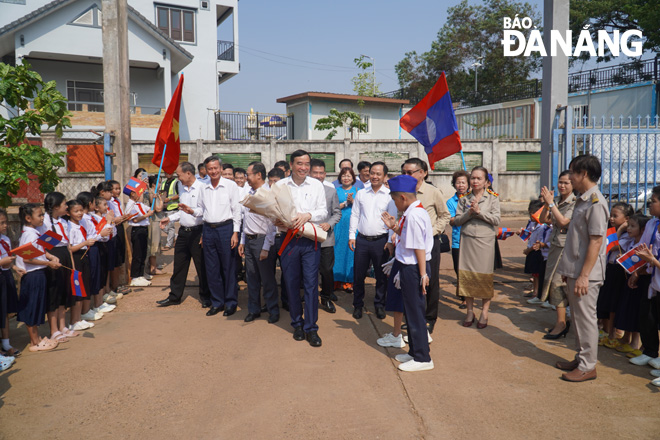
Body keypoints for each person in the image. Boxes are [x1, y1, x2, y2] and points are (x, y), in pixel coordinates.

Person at [555, 154, 609, 382]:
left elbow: (596, 241)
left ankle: (588, 366)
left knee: (586, 318)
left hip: (586, 273)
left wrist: (584, 276)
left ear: (583, 174)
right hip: (575, 270)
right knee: (577, 318)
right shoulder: (583, 199)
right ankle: (581, 358)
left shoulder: (596, 202)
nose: (569, 178)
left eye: (572, 173)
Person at [381, 174, 434, 372]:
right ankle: (414, 352)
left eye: (394, 199)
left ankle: (423, 358)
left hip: (414, 269)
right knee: (411, 313)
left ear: (402, 197)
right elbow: (409, 239)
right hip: (410, 268)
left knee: (416, 313)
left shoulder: (413, 215)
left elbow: (419, 248)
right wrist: (394, 227)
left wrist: (422, 275)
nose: (394, 203)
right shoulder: (413, 212)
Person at [275, 150, 327, 347]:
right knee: (291, 282)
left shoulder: (316, 185)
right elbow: (273, 212)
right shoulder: (280, 185)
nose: (303, 168)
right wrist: (279, 220)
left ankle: (311, 327)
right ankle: (297, 323)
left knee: (311, 283)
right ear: (291, 165)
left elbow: (323, 211)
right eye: (299, 164)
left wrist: (308, 215)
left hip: (310, 241)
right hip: (288, 240)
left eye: (306, 164)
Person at [402, 158, 450, 333]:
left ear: (423, 173)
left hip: (430, 244)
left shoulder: (433, 192)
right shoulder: (404, 191)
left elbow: (445, 215)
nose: (407, 176)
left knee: (430, 280)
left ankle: (429, 318)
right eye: (404, 172)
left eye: (411, 172)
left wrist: (432, 232)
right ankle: (412, 317)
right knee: (410, 279)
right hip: (408, 243)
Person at [453, 166, 501, 329]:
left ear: (486, 182)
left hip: (485, 242)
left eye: (478, 178)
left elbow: (496, 220)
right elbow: (457, 221)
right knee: (467, 277)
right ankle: (469, 311)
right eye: (472, 178)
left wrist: (479, 212)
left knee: (484, 278)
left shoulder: (492, 198)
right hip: (467, 241)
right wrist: (469, 213)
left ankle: (484, 312)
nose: (474, 181)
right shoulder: (464, 198)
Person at [157, 162, 210, 307]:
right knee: (179, 266)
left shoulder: (202, 188)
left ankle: (206, 297)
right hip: (183, 232)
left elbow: (205, 212)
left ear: (188, 173)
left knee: (201, 267)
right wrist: (170, 218)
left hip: (197, 232)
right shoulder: (181, 187)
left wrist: (192, 212)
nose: (177, 178)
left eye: (179, 175)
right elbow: (182, 211)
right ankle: (174, 297)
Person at [194, 156, 242, 317]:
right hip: (208, 230)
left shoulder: (230, 186)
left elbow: (236, 210)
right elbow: (201, 210)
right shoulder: (203, 187)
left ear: (220, 169)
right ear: (205, 170)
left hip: (226, 229)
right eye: (210, 169)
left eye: (215, 168)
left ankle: (230, 302)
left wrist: (235, 232)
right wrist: (190, 211)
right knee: (211, 267)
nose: (213, 171)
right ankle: (217, 302)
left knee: (228, 267)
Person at [348, 162, 396, 319]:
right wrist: (351, 236)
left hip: (380, 242)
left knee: (381, 276)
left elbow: (392, 221)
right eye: (372, 173)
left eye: (378, 174)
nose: (375, 176)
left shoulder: (390, 196)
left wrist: (389, 241)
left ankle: (379, 304)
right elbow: (355, 215)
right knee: (358, 275)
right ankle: (358, 305)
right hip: (361, 240)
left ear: (384, 176)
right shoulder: (361, 193)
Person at [238, 162, 280, 323]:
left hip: (263, 241)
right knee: (251, 278)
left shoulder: (268, 195)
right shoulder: (248, 192)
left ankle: (273, 310)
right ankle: (253, 309)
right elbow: (245, 220)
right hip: (249, 241)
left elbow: (272, 224)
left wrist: (266, 247)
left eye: (248, 174)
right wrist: (242, 241)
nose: (246, 177)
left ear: (258, 175)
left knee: (267, 278)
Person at [16, 203, 60, 352]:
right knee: (31, 307)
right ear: (28, 218)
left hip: (39, 273)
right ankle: (34, 342)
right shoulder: (29, 234)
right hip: (33, 274)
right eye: (39, 215)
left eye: (42, 215)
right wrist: (48, 263)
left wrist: (50, 257)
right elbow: (28, 259)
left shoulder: (34, 232)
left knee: (36, 307)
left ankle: (38, 338)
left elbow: (40, 251)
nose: (42, 218)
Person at [539, 171, 577, 339]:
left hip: (566, 249)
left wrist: (551, 204)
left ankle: (562, 324)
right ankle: (562, 321)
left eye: (566, 183)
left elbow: (563, 222)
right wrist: (549, 204)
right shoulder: (559, 202)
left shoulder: (575, 203)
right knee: (553, 284)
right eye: (560, 182)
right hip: (555, 248)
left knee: (558, 285)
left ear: (573, 185)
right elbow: (542, 219)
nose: (562, 186)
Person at [630, 187, 660, 381]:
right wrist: (638, 271)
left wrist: (652, 261)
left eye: (654, 200)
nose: (650, 203)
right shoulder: (651, 223)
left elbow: (651, 256)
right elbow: (644, 249)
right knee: (647, 316)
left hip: (656, 270)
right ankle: (650, 351)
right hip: (652, 277)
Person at [597, 202, 633, 348]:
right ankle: (606, 331)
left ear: (626, 219)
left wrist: (621, 229)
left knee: (613, 304)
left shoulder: (627, 235)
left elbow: (611, 246)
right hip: (609, 269)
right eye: (610, 215)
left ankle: (612, 334)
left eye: (615, 216)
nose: (611, 218)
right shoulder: (611, 231)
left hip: (619, 271)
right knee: (605, 301)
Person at [43, 192, 79, 335]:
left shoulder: (63, 222)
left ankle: (63, 326)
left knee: (64, 291)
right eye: (64, 204)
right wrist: (50, 258)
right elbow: (42, 245)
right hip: (53, 256)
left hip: (64, 254)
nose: (67, 206)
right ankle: (54, 330)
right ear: (56, 206)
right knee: (54, 293)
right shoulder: (45, 222)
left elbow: (68, 244)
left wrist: (72, 264)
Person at [613, 214, 650, 354]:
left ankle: (635, 342)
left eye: (632, 226)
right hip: (629, 280)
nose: (628, 228)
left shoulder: (643, 246)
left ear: (642, 230)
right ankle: (626, 338)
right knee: (627, 309)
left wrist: (636, 273)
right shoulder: (631, 242)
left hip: (639, 281)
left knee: (636, 311)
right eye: (628, 225)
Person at [310, 159, 342, 314]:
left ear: (325, 174)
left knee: (327, 270)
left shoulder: (331, 191)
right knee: (308, 271)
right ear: (309, 173)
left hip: (326, 239)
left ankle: (326, 297)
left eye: (321, 173)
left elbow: (337, 213)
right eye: (315, 172)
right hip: (307, 237)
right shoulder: (305, 192)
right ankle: (310, 298)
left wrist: (329, 224)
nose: (318, 176)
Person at [67, 199, 97, 327]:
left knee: (85, 285)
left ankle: (80, 317)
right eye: (76, 211)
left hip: (84, 256)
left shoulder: (80, 225)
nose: (79, 213)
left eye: (80, 211)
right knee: (77, 288)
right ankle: (74, 320)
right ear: (68, 213)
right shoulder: (69, 227)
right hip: (76, 257)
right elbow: (70, 248)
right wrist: (85, 243)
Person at [0, 208, 22, 359]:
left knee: (6, 310)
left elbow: (7, 258)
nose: (5, 225)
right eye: (1, 223)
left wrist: (14, 267)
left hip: (6, 276)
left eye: (5, 222)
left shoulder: (5, 240)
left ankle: (6, 343)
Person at [447, 170, 470, 309]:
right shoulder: (451, 202)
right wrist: (468, 215)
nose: (460, 185)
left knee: (469, 269)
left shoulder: (474, 199)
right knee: (459, 269)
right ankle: (463, 296)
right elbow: (451, 221)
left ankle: (468, 297)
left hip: (472, 240)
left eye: (463, 182)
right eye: (458, 182)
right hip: (458, 241)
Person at [335, 167, 359, 294]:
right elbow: (332, 207)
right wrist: (345, 203)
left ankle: (349, 281)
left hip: (353, 225)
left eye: (349, 176)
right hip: (339, 224)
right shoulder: (335, 191)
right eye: (344, 176)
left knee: (351, 252)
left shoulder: (358, 191)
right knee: (338, 250)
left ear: (353, 178)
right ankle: (336, 279)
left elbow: (362, 208)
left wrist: (353, 201)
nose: (346, 178)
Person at [268, 167, 288, 310]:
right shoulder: (265, 197)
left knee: (287, 271)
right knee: (269, 273)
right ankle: (270, 302)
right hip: (268, 239)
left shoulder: (288, 197)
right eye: (270, 181)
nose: (273, 185)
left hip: (284, 238)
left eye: (276, 181)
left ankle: (287, 300)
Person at [126, 188, 154, 287]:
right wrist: (147, 215)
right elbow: (135, 220)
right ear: (132, 194)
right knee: (137, 254)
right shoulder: (130, 205)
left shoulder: (139, 204)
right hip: (137, 230)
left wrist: (153, 199)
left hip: (143, 229)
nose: (141, 195)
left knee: (143, 252)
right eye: (139, 193)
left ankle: (140, 274)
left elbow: (149, 209)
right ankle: (135, 277)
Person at [160, 172, 180, 251]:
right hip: (164, 207)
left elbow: (179, 194)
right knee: (162, 226)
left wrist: (170, 199)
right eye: (166, 172)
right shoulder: (163, 182)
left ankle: (168, 244)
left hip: (173, 207)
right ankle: (175, 236)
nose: (168, 173)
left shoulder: (176, 182)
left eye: (169, 172)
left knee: (171, 227)